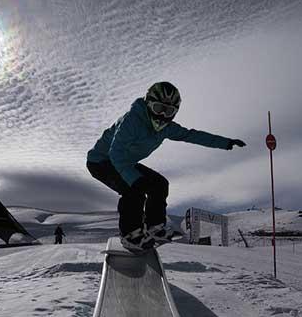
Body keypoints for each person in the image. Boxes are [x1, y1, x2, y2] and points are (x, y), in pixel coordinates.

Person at [86, 82, 246, 251]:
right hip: (101, 162)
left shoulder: (167, 128)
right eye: (158, 108)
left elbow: (191, 135)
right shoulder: (132, 120)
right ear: (148, 104)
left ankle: (154, 227)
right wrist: (133, 179)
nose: (162, 116)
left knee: (159, 183)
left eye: (168, 111)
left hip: (124, 162)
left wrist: (225, 143)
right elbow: (115, 154)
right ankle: (130, 235)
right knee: (133, 189)